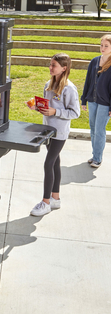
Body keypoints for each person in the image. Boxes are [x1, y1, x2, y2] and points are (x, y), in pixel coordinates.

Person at [29, 53, 80, 217]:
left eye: (54, 65)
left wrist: (55, 111)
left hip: (59, 132)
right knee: (55, 163)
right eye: (50, 64)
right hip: (47, 130)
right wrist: (37, 107)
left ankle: (45, 203)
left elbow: (75, 112)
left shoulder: (69, 89)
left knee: (48, 163)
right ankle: (55, 198)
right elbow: (47, 108)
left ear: (64, 68)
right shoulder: (48, 85)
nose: (50, 68)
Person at [81, 34, 111, 168]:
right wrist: (83, 100)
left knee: (99, 130)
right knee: (93, 129)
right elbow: (88, 81)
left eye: (106, 46)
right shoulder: (94, 61)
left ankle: (98, 158)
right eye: (101, 45)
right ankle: (95, 155)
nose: (102, 48)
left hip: (105, 103)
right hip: (92, 101)